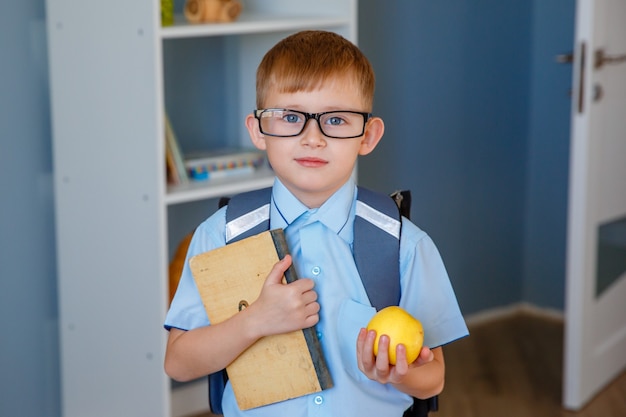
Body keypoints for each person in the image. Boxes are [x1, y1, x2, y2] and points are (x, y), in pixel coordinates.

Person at [164, 30, 468, 417]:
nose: (313, 138)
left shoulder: (404, 245)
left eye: (337, 120)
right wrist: (255, 321)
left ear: (368, 136)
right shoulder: (221, 234)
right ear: (258, 130)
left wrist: (396, 374)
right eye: (291, 117)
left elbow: (434, 378)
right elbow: (178, 362)